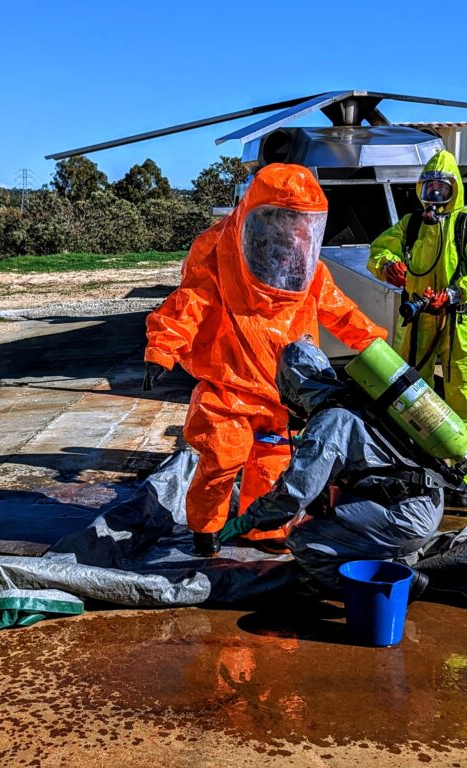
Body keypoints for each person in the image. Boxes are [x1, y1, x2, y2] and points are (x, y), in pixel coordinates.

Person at [143, 163, 386, 557]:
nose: (289, 227)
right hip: (228, 386)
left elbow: (340, 311)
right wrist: (162, 349)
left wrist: (373, 344)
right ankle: (206, 529)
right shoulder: (221, 255)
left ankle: (264, 530)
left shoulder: (306, 266)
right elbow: (190, 303)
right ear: (261, 214)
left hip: (284, 391)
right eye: (282, 216)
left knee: (273, 463)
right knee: (222, 458)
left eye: (298, 219)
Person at [221, 339, 442, 594]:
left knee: (304, 539)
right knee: (329, 500)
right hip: (429, 498)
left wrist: (248, 520)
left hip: (407, 518)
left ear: (291, 389)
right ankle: (395, 555)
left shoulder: (328, 423)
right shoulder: (354, 396)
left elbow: (293, 494)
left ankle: (378, 587)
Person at [367, 150, 467, 508]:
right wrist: (387, 266)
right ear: (420, 190)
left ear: (454, 190)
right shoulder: (411, 226)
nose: (435, 197)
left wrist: (455, 293)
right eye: (429, 189)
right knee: (408, 397)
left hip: (459, 322)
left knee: (465, 399)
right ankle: (414, 462)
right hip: (417, 322)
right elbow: (379, 249)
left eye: (442, 189)